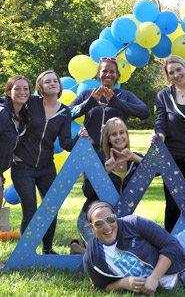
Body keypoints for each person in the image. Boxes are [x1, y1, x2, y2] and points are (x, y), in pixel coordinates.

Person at [11, 70, 88, 255]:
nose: (53, 83)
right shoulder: (32, 103)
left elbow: (65, 143)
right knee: (30, 209)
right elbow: (9, 101)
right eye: (47, 82)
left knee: (51, 207)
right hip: (22, 166)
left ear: (60, 86)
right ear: (41, 88)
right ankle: (25, 253)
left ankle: (47, 249)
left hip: (46, 168)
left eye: (55, 81)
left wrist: (79, 138)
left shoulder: (65, 111)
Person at [69, 57, 150, 227]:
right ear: (98, 74)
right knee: (92, 193)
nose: (108, 74)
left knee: (113, 194)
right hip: (91, 154)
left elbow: (144, 112)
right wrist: (90, 101)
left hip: (115, 154)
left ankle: (116, 228)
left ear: (117, 75)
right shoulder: (87, 93)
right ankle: (87, 228)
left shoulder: (124, 95)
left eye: (112, 71)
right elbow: (68, 113)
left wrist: (117, 102)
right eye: (104, 71)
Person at [151, 55, 185, 232]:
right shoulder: (164, 96)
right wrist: (159, 135)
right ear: (168, 76)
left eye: (178, 69)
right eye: (171, 72)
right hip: (174, 158)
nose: (176, 75)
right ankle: (171, 245)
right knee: (173, 205)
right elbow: (161, 121)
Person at [74, 117, 143, 248]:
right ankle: (78, 248)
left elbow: (158, 170)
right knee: (105, 254)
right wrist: (105, 171)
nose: (119, 137)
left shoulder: (135, 158)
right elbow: (87, 191)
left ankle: (79, 249)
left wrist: (133, 157)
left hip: (117, 220)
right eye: (113, 134)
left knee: (123, 253)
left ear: (127, 135)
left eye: (122, 132)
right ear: (108, 139)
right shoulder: (98, 158)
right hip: (94, 220)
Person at [0, 76, 30, 209]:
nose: (22, 92)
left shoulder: (24, 117)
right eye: (17, 88)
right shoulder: (1, 113)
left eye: (25, 88)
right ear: (8, 92)